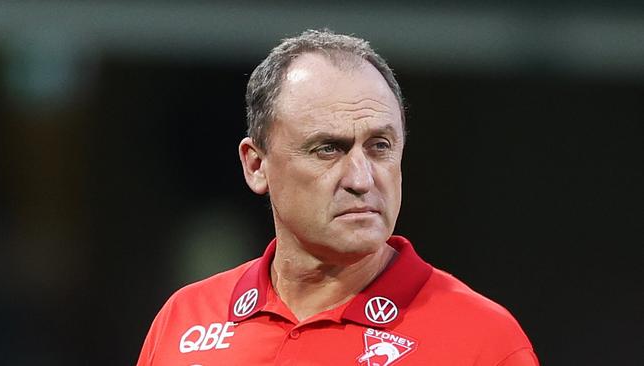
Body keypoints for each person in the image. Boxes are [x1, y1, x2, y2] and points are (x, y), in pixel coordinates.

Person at [137, 29, 539, 366]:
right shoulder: (184, 319)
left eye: (380, 146)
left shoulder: (484, 341)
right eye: (328, 149)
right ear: (257, 165)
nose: (362, 179)